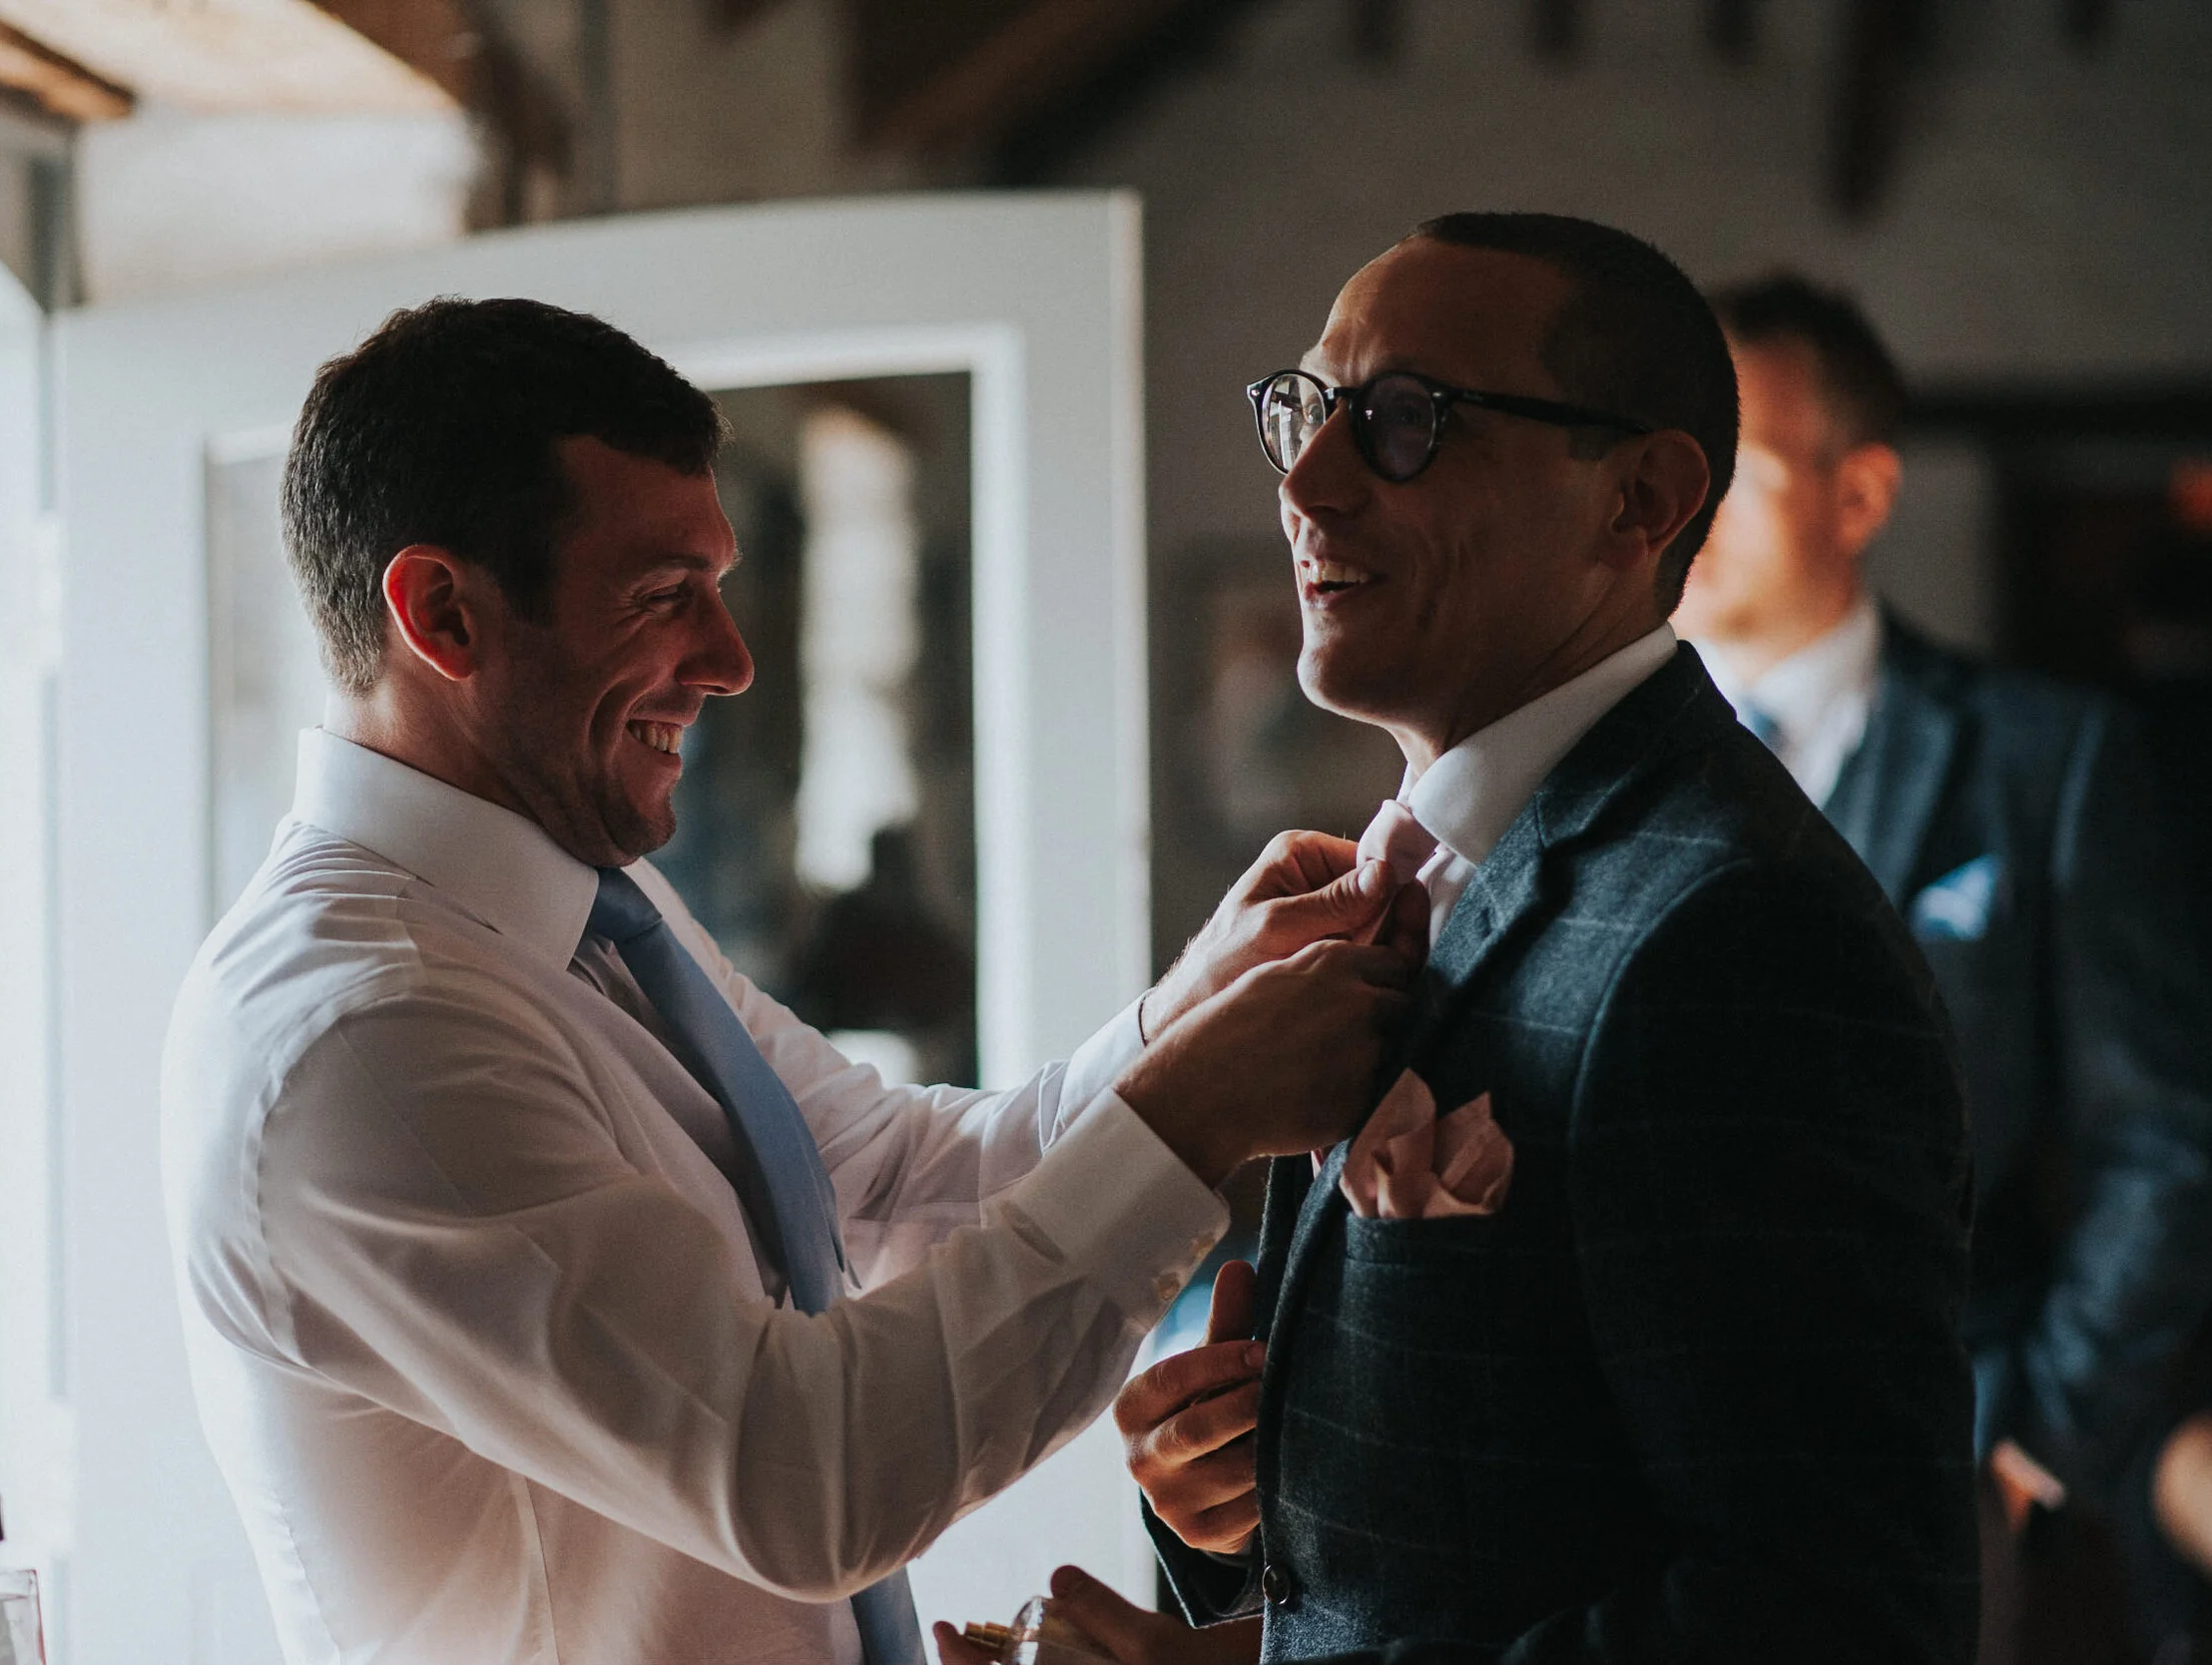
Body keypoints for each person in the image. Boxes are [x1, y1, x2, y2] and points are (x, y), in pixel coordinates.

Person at [158, 298, 1432, 1665]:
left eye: (720, 585)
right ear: (444, 613)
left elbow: (895, 1181)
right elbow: (804, 1481)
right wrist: (1192, 1117)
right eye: (662, 598)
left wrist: (1193, 1007)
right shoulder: (366, 1039)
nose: (729, 660)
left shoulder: (590, 908)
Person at [1085, 215, 1979, 1664]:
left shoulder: (1733, 934)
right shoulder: (1425, 875)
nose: (1307, 483)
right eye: (1306, 410)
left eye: (1401, 422)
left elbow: (1834, 1620)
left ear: (1639, 501)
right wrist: (1264, 1496)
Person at [1678, 275, 2212, 1662]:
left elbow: (2162, 1132)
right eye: (1658, 458)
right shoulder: (1563, 768)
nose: (1683, 505)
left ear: (1858, 497)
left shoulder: (2048, 758)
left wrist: (2042, 1437)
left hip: (1940, 1462)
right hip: (1626, 1469)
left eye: (1732, 468)